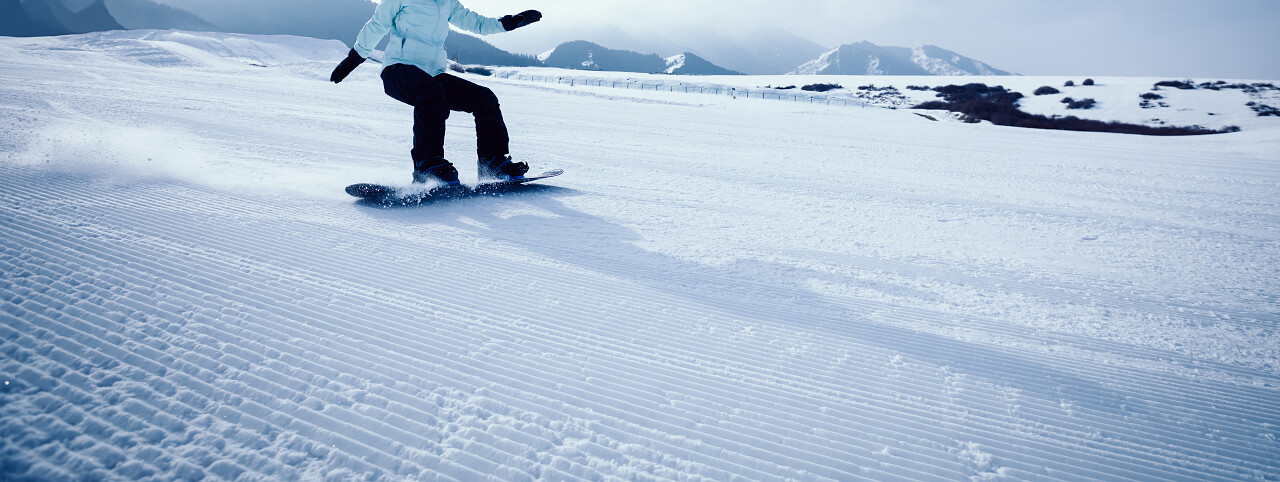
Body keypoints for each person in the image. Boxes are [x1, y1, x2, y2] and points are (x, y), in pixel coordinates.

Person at [330, 1, 542, 185]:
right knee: (430, 92)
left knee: (484, 99)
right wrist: (353, 59)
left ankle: (493, 164)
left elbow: (475, 22)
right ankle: (426, 165)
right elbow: (377, 25)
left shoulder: (446, 2)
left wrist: (509, 23)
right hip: (397, 70)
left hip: (432, 74)